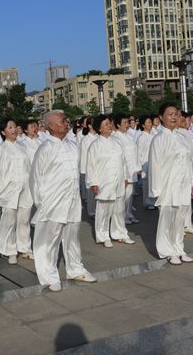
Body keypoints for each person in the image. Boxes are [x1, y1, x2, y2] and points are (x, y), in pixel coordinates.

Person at [30, 110, 97, 291]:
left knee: (72, 236)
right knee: (50, 240)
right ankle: (49, 276)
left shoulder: (72, 146)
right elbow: (35, 180)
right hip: (53, 201)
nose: (67, 123)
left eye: (67, 120)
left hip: (72, 198)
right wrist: (41, 204)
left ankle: (75, 269)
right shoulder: (45, 149)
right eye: (62, 121)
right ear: (51, 126)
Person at [148, 103, 193, 265]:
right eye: (170, 114)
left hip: (183, 183)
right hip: (167, 186)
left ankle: (178, 248)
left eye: (176, 114)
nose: (174, 117)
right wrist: (156, 191)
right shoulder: (158, 139)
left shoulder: (182, 137)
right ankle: (167, 251)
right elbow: (154, 166)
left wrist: (192, 182)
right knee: (167, 219)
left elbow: (189, 162)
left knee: (180, 218)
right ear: (161, 117)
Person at [86, 114, 135, 248]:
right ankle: (103, 236)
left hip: (118, 180)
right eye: (106, 124)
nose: (109, 126)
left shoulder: (117, 142)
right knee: (104, 211)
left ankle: (120, 234)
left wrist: (125, 176)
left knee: (119, 210)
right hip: (104, 182)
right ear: (99, 128)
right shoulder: (95, 145)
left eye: (109, 123)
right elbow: (90, 166)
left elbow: (123, 161)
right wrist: (93, 183)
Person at [0, 118, 34, 264]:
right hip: (9, 189)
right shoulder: (1, 149)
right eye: (10, 127)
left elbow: (29, 167)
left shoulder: (23, 147)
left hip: (25, 186)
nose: (14, 130)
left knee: (24, 218)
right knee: (9, 220)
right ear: (3, 132)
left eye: (15, 127)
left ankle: (24, 247)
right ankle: (9, 250)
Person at [112, 114, 141, 224]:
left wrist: (138, 168)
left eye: (127, 122)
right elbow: (119, 159)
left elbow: (135, 153)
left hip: (132, 170)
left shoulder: (129, 136)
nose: (127, 125)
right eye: (124, 123)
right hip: (124, 172)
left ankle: (129, 214)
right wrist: (123, 175)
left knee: (130, 195)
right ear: (118, 125)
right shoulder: (116, 138)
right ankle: (122, 217)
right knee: (122, 196)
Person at [79, 117, 98, 218]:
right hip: (89, 168)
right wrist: (84, 172)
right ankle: (92, 211)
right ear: (89, 125)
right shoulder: (85, 139)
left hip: (100, 168)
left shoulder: (99, 137)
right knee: (91, 192)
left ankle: (98, 210)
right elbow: (84, 157)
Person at [137, 116, 156, 210]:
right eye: (148, 122)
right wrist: (139, 167)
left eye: (150, 122)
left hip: (154, 162)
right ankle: (147, 202)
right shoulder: (141, 137)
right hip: (145, 163)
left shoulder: (154, 135)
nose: (150, 124)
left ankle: (154, 201)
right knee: (146, 183)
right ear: (143, 125)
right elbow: (138, 152)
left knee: (153, 182)